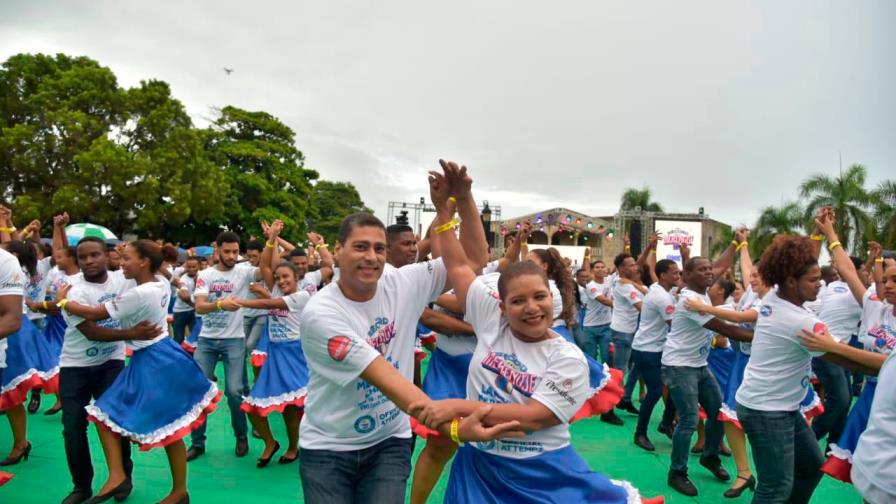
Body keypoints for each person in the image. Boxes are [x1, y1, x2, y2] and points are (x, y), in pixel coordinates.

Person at [408, 179, 660, 504]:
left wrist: (457, 406)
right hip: (479, 469)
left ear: (550, 299)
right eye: (518, 301)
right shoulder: (490, 319)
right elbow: (456, 263)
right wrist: (450, 206)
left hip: (541, 475)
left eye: (539, 297)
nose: (531, 307)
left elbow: (533, 418)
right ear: (501, 306)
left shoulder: (567, 358)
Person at [297, 161, 520, 504]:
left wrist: (463, 197)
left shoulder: (402, 282)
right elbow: (387, 379)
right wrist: (455, 429)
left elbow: (473, 260)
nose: (371, 257)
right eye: (360, 247)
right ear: (336, 251)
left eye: (379, 248)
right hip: (329, 447)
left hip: (390, 441)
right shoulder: (322, 314)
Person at [734, 209, 881, 503]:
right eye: (814, 280)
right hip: (767, 411)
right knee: (775, 487)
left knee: (812, 468)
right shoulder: (800, 321)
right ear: (792, 281)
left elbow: (799, 263)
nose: (820, 284)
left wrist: (819, 235)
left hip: (778, 406)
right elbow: (851, 362)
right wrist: (888, 363)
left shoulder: (774, 296)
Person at [57, 240, 219, 504]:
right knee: (170, 427)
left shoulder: (139, 293)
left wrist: (62, 302)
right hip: (163, 354)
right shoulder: (159, 283)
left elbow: (95, 314)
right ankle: (177, 491)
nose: (121, 264)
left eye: (127, 259)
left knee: (104, 414)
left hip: (152, 360)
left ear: (144, 262)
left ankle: (119, 474)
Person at [55, 234, 163, 504]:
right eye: (83, 257)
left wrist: (135, 250)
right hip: (75, 364)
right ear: (77, 261)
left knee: (115, 421)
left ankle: (122, 478)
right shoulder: (70, 289)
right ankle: (81, 486)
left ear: (108, 255)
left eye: (95, 254)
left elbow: (151, 270)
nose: (89, 261)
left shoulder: (122, 278)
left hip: (111, 363)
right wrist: (132, 332)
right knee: (73, 426)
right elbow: (90, 331)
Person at [663, 236, 751, 497]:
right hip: (680, 366)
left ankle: (710, 456)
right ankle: (676, 472)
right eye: (702, 270)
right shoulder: (690, 300)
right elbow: (724, 328)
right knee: (689, 419)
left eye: (709, 269)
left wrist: (736, 244)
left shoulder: (701, 293)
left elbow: (720, 266)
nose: (710, 273)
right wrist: (765, 334)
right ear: (686, 274)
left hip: (699, 364)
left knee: (717, 411)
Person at [233, 220, 310, 468]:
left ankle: (292, 447)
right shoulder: (276, 289)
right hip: (275, 355)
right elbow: (266, 264)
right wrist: (271, 239)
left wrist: (242, 302)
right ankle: (270, 442)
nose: (281, 280)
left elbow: (271, 305)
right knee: (252, 407)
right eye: (278, 278)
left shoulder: (302, 295)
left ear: (297, 277)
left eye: (286, 276)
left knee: (292, 410)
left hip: (295, 355)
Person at [186, 231, 262, 461]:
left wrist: (272, 240)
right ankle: (197, 442)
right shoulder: (205, 274)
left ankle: (241, 437)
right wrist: (220, 304)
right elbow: (199, 307)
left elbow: (268, 268)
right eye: (227, 251)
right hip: (207, 341)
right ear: (217, 250)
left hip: (234, 340)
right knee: (199, 391)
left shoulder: (245, 271)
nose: (231, 256)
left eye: (235, 252)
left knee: (234, 391)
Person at [630, 257, 679, 452]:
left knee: (674, 385)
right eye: (674, 272)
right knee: (656, 391)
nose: (678, 275)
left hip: (653, 348)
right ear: (663, 275)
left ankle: (666, 423)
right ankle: (640, 433)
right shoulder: (662, 297)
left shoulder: (660, 290)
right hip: (648, 350)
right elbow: (674, 326)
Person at [171, 256, 199, 344]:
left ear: (198, 266)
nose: (191, 269)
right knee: (178, 338)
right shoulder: (183, 279)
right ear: (185, 267)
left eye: (194, 267)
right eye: (189, 267)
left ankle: (193, 356)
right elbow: (184, 297)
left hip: (192, 311)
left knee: (195, 335)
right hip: (180, 312)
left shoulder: (202, 275)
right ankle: (176, 356)